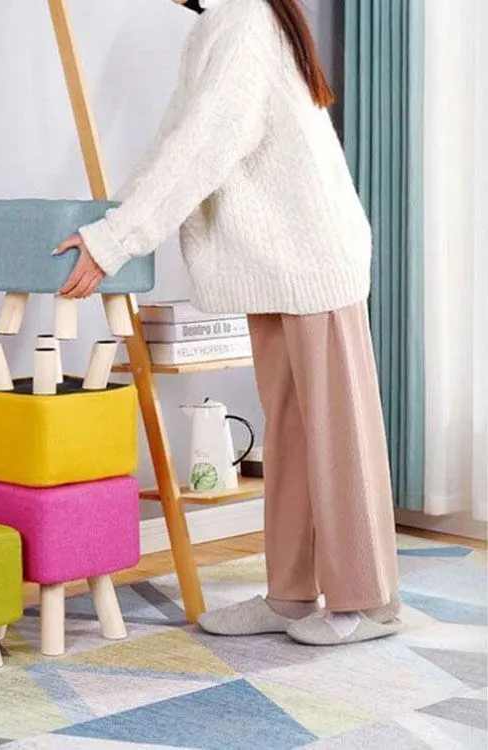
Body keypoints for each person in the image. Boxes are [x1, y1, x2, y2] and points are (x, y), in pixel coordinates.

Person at [54, 0, 401, 646]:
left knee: (337, 438)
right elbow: (174, 141)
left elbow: (202, 149)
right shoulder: (224, 24)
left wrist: (114, 241)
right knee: (292, 436)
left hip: (313, 260)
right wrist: (110, 226)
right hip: (277, 266)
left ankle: (368, 602)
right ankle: (290, 595)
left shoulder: (244, 20)